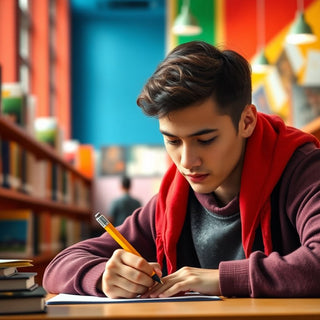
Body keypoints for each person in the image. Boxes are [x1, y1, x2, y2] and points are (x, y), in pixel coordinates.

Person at [43, 41, 320, 298]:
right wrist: (104, 276)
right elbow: (58, 267)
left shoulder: (304, 170)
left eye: (205, 140)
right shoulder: (171, 200)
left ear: (246, 121)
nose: (187, 161)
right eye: (172, 141)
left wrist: (222, 279)